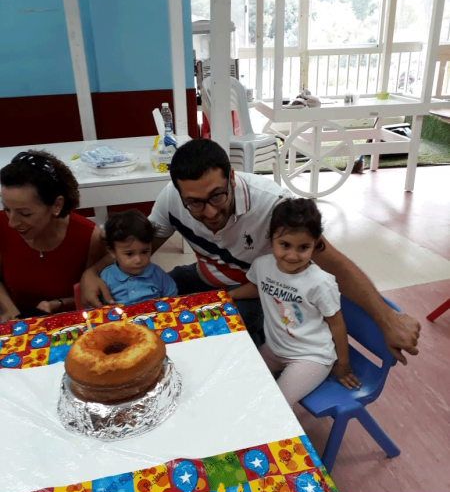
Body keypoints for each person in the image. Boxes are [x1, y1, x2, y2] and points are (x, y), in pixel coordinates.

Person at [80, 138, 421, 365]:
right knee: (147, 302)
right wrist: (92, 272)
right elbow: (138, 248)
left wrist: (386, 317)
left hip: (258, 293)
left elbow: (335, 264)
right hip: (206, 276)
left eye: (217, 196)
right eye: (194, 203)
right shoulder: (172, 199)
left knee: (206, 336)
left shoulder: (273, 206)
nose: (209, 212)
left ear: (232, 177)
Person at [229, 198, 361, 409]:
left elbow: (336, 324)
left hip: (311, 356)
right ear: (270, 237)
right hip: (274, 349)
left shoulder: (321, 283)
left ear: (315, 243)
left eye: (303, 247)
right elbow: (258, 287)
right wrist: (231, 295)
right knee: (241, 383)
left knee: (276, 407)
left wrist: (343, 364)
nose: (292, 255)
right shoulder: (262, 265)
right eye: (285, 245)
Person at [0, 150, 105, 321]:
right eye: (7, 209)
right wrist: (9, 310)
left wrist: (59, 304)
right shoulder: (1, 226)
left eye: (25, 214)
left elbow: (93, 296)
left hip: (70, 323)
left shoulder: (90, 238)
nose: (12, 223)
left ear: (57, 205)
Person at [100, 209, 177, 304]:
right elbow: (99, 307)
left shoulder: (157, 274)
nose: (138, 260)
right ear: (112, 252)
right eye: (129, 254)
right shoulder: (106, 277)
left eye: (144, 252)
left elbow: (172, 296)